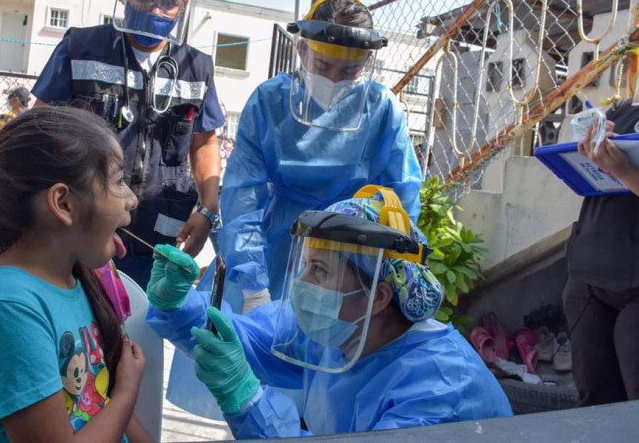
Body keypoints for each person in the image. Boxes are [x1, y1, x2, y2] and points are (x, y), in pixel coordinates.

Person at [147, 186, 512, 438]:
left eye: (320, 270)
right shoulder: (346, 325)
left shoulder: (439, 388)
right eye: (304, 265)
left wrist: (251, 401)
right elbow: (242, 339)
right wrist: (179, 305)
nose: (302, 285)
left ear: (380, 296)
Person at [0, 107, 151, 442]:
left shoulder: (75, 280)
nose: (132, 199)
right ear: (63, 203)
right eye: (118, 182)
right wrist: (127, 392)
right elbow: (113, 403)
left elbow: (97, 403)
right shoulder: (8, 310)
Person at [212, 0, 422, 316]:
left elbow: (402, 202)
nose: (333, 80)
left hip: (350, 258)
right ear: (301, 49)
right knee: (248, 342)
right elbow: (242, 199)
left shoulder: (382, 110)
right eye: (323, 66)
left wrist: (387, 275)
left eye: (349, 70)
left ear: (366, 64)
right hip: (274, 252)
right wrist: (253, 286)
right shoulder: (270, 103)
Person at [32, 0, 223, 289]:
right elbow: (37, 127)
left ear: (183, 7)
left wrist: (208, 211)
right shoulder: (80, 47)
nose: (154, 9)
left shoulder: (198, 67)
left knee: (141, 331)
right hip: (79, 229)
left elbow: (204, 142)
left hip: (158, 235)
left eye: (169, 2)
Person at [564, 98, 639, 406]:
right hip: (589, 274)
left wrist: (625, 172)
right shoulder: (621, 109)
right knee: (594, 401)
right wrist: (590, 151)